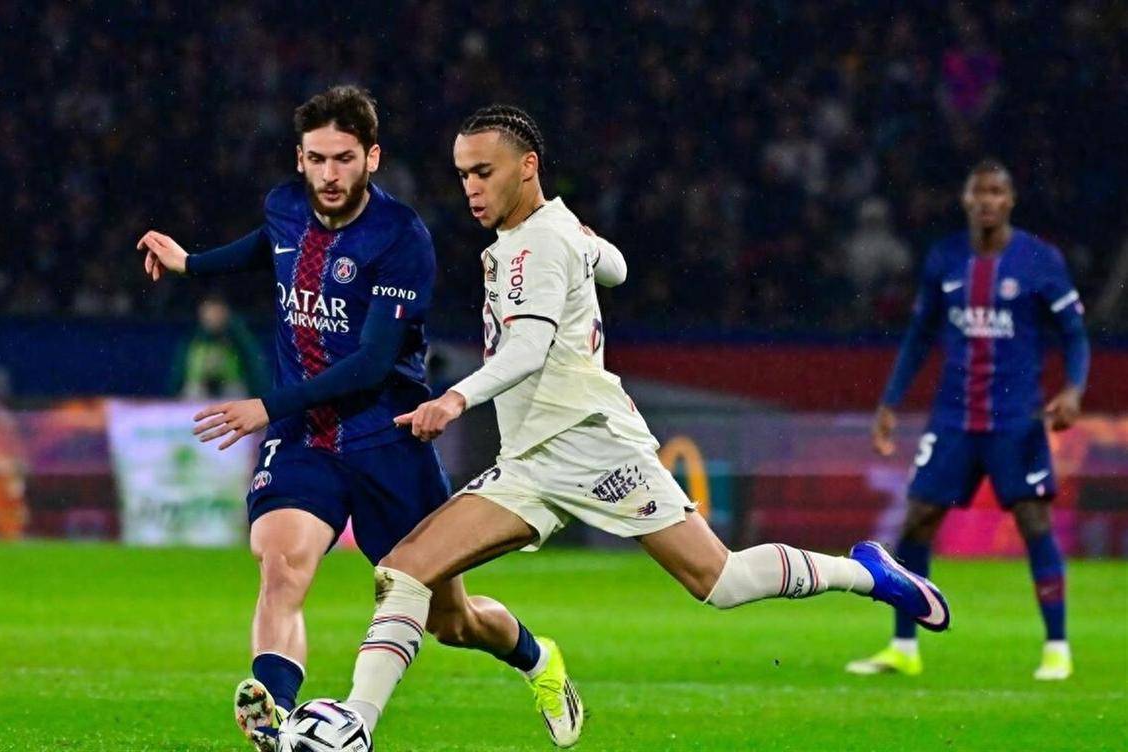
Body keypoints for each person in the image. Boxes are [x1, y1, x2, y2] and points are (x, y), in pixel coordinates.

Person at [318, 105, 951, 750]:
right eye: (463, 175)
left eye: (484, 172)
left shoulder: (538, 244)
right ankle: (358, 725)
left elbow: (528, 349)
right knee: (406, 570)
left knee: (721, 581)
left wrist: (455, 399)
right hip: (532, 460)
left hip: (596, 445)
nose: (471, 188)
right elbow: (617, 267)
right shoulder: (553, 230)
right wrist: (589, 246)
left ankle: (866, 572)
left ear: (527, 166)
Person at [136, 87, 563, 751]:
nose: (329, 174)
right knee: (281, 564)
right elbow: (267, 245)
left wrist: (264, 405)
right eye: (317, 159)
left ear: (372, 157)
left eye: (343, 159)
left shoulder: (400, 239)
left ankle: (537, 658)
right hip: (305, 438)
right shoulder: (285, 206)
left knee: (452, 620)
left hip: (387, 437)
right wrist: (191, 263)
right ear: (299, 159)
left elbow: (370, 365)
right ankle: (276, 716)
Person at [848, 160, 1088, 681]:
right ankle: (904, 646)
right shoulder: (945, 258)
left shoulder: (1040, 259)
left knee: (1034, 521)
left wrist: (1073, 389)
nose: (987, 201)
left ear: (1010, 200)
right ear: (965, 200)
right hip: (954, 418)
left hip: (1016, 419)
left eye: (996, 192)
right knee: (917, 521)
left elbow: (1073, 333)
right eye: (979, 192)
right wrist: (889, 401)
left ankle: (1057, 648)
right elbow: (920, 336)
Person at [170, 295, 269, 399]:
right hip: (198, 391)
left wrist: (259, 394)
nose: (212, 317)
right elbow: (178, 370)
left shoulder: (239, 337)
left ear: (225, 313)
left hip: (231, 390)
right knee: (193, 391)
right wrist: (172, 394)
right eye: (209, 313)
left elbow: (255, 367)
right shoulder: (192, 338)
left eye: (216, 313)